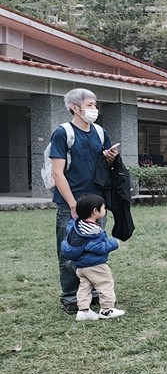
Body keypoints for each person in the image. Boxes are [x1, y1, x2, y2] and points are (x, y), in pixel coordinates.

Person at [49, 88, 118, 316]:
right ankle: (71, 297)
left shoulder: (99, 132)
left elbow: (105, 165)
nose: (94, 109)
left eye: (95, 104)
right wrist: (72, 205)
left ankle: (94, 293)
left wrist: (110, 158)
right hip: (71, 201)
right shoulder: (63, 133)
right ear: (75, 108)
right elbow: (57, 172)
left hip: (96, 203)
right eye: (90, 105)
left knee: (95, 249)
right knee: (70, 250)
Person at [60, 193, 125, 321]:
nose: (105, 210)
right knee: (105, 283)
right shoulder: (93, 231)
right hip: (95, 265)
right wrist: (114, 243)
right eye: (103, 208)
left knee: (84, 286)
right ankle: (107, 309)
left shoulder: (76, 226)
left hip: (81, 266)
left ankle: (83, 310)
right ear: (95, 211)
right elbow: (97, 247)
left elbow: (71, 228)